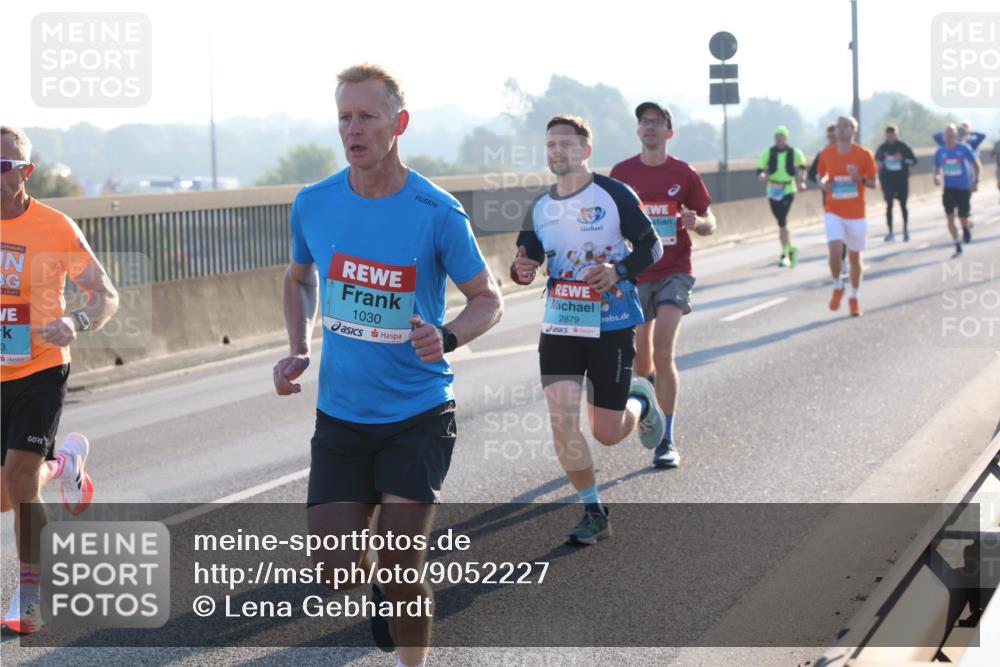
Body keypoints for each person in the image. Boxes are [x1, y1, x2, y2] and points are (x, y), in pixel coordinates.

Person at [273, 64, 502, 667]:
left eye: (368, 117)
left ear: (398, 124)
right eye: (345, 118)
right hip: (342, 415)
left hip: (418, 412)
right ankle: (380, 589)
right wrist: (298, 345)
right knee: (334, 567)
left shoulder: (437, 210)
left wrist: (448, 336)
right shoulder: (313, 203)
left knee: (402, 561)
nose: (354, 129)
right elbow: (299, 278)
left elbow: (489, 298)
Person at [510, 114, 664, 544]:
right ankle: (594, 510)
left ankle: (642, 400)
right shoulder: (540, 206)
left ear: (585, 150)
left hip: (611, 323)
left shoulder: (614, 194)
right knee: (562, 419)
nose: (557, 152)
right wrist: (521, 269)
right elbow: (528, 258)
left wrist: (619, 271)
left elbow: (652, 245)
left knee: (606, 433)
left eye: (566, 144)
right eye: (550, 145)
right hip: (561, 322)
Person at [1, 126, 119, 634]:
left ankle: (30, 594)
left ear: (24, 174)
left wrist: (77, 322)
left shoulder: (54, 227)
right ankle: (66, 462)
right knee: (9, 488)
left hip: (41, 367)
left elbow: (105, 295)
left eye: (2, 166)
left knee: (21, 482)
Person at [609, 102, 715, 469]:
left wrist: (695, 221)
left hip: (675, 270)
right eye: (644, 122)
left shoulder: (684, 173)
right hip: (638, 272)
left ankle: (666, 441)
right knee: (642, 358)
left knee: (665, 348)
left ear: (669, 132)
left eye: (657, 122)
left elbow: (710, 222)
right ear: (638, 131)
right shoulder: (621, 173)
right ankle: (651, 395)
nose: (649, 127)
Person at [815, 116, 877, 318]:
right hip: (834, 210)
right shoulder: (826, 153)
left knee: (855, 258)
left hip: (857, 214)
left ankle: (854, 296)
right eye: (839, 126)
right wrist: (824, 184)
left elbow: (872, 183)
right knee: (834, 251)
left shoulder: (864, 154)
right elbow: (822, 176)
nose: (841, 130)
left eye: (846, 126)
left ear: (854, 130)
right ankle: (838, 284)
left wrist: (858, 177)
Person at [756, 126, 806, 267]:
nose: (779, 139)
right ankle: (789, 249)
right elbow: (759, 170)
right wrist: (762, 176)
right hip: (773, 189)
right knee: (780, 221)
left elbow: (802, 167)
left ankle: (784, 252)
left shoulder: (794, 152)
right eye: (777, 136)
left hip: (788, 188)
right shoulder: (768, 152)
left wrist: (802, 182)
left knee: (783, 220)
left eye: (781, 136)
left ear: (786, 138)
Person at [933, 124, 981, 258]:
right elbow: (936, 167)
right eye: (947, 135)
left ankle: (965, 227)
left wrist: (976, 181)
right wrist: (936, 177)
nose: (949, 138)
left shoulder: (964, 148)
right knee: (949, 217)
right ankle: (957, 244)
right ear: (944, 137)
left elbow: (976, 164)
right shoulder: (940, 151)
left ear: (956, 136)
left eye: (952, 135)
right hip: (949, 188)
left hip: (964, 188)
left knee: (963, 216)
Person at [809, 123, 847, 273]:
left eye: (834, 136)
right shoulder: (823, 154)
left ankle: (844, 256)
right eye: (829, 136)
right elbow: (812, 174)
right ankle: (841, 260)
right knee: (835, 232)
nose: (832, 139)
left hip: (848, 199)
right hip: (830, 200)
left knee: (845, 232)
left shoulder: (847, 152)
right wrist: (822, 182)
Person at [874, 125, 918, 242]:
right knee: (889, 206)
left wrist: (902, 159)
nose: (890, 138)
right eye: (888, 135)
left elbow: (914, 161)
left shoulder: (903, 147)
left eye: (892, 135)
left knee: (903, 205)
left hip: (901, 181)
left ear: (896, 135)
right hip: (888, 182)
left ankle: (905, 230)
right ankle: (890, 232)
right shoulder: (882, 148)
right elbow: (876, 162)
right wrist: (882, 163)